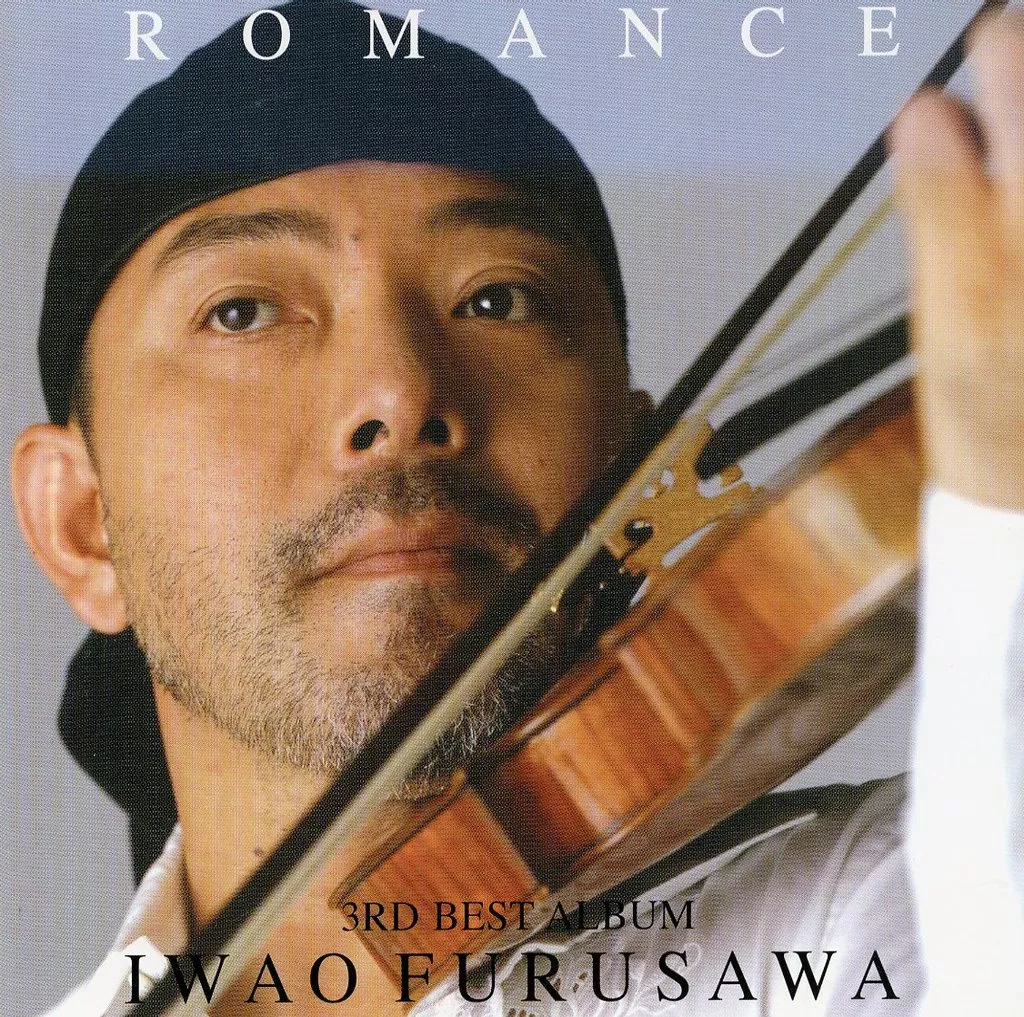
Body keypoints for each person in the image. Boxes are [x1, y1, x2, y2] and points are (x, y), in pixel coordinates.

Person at [10, 1, 1024, 1014]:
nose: (399, 391)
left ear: (633, 467)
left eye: (496, 299)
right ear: (81, 526)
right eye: (243, 312)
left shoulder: (893, 910)